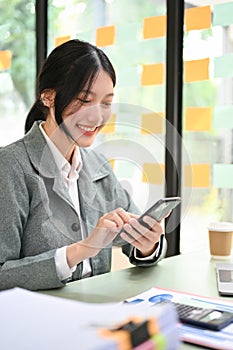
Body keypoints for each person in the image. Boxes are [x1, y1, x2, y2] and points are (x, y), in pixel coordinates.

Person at [0, 39, 167, 291]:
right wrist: (81, 250)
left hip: (95, 312)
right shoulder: (11, 166)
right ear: (48, 97)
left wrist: (147, 244)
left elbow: (133, 239)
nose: (97, 117)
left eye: (106, 103)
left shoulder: (97, 166)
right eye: (85, 100)